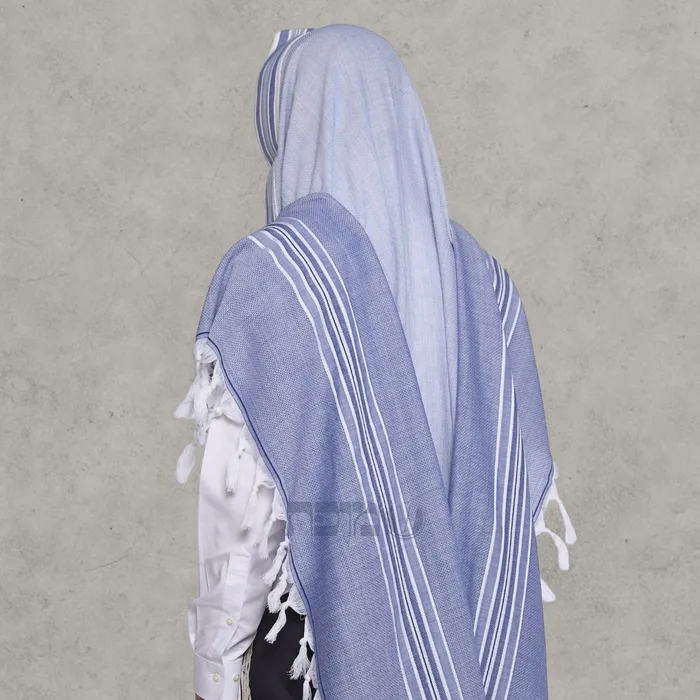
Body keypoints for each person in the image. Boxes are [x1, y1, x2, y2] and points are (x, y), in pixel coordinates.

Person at [175, 24, 576, 700]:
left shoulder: (277, 278)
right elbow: (508, 507)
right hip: (477, 663)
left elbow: (239, 521)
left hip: (311, 662)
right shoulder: (487, 288)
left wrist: (214, 672)